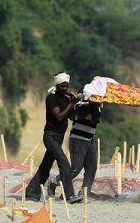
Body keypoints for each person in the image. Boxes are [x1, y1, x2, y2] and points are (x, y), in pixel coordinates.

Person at [24, 72, 82, 204]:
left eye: (67, 86)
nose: (65, 89)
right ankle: (70, 195)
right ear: (57, 85)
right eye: (62, 86)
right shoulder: (51, 98)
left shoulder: (67, 99)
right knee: (64, 162)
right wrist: (70, 104)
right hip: (50, 136)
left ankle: (31, 192)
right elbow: (59, 116)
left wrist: (74, 104)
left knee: (46, 165)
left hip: (59, 137)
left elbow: (72, 117)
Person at [48, 100, 101, 197]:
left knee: (91, 168)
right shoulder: (80, 104)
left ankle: (84, 193)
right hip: (77, 140)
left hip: (90, 139)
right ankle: (54, 181)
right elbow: (78, 116)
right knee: (75, 169)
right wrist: (91, 105)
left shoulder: (97, 106)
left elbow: (95, 120)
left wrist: (95, 107)